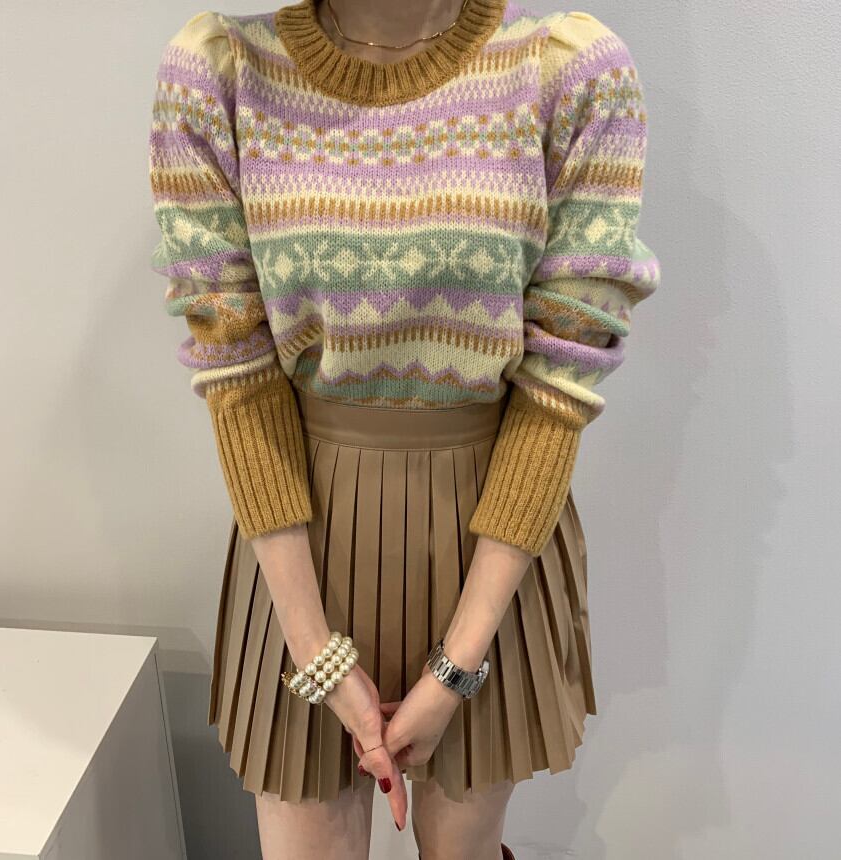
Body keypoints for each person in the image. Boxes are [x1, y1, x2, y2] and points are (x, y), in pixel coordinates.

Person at [147, 0, 661, 857]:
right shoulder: (220, 73)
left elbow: (557, 385)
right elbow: (237, 376)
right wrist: (314, 647)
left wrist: (459, 664)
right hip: (299, 548)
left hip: (490, 548)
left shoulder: (569, 72)